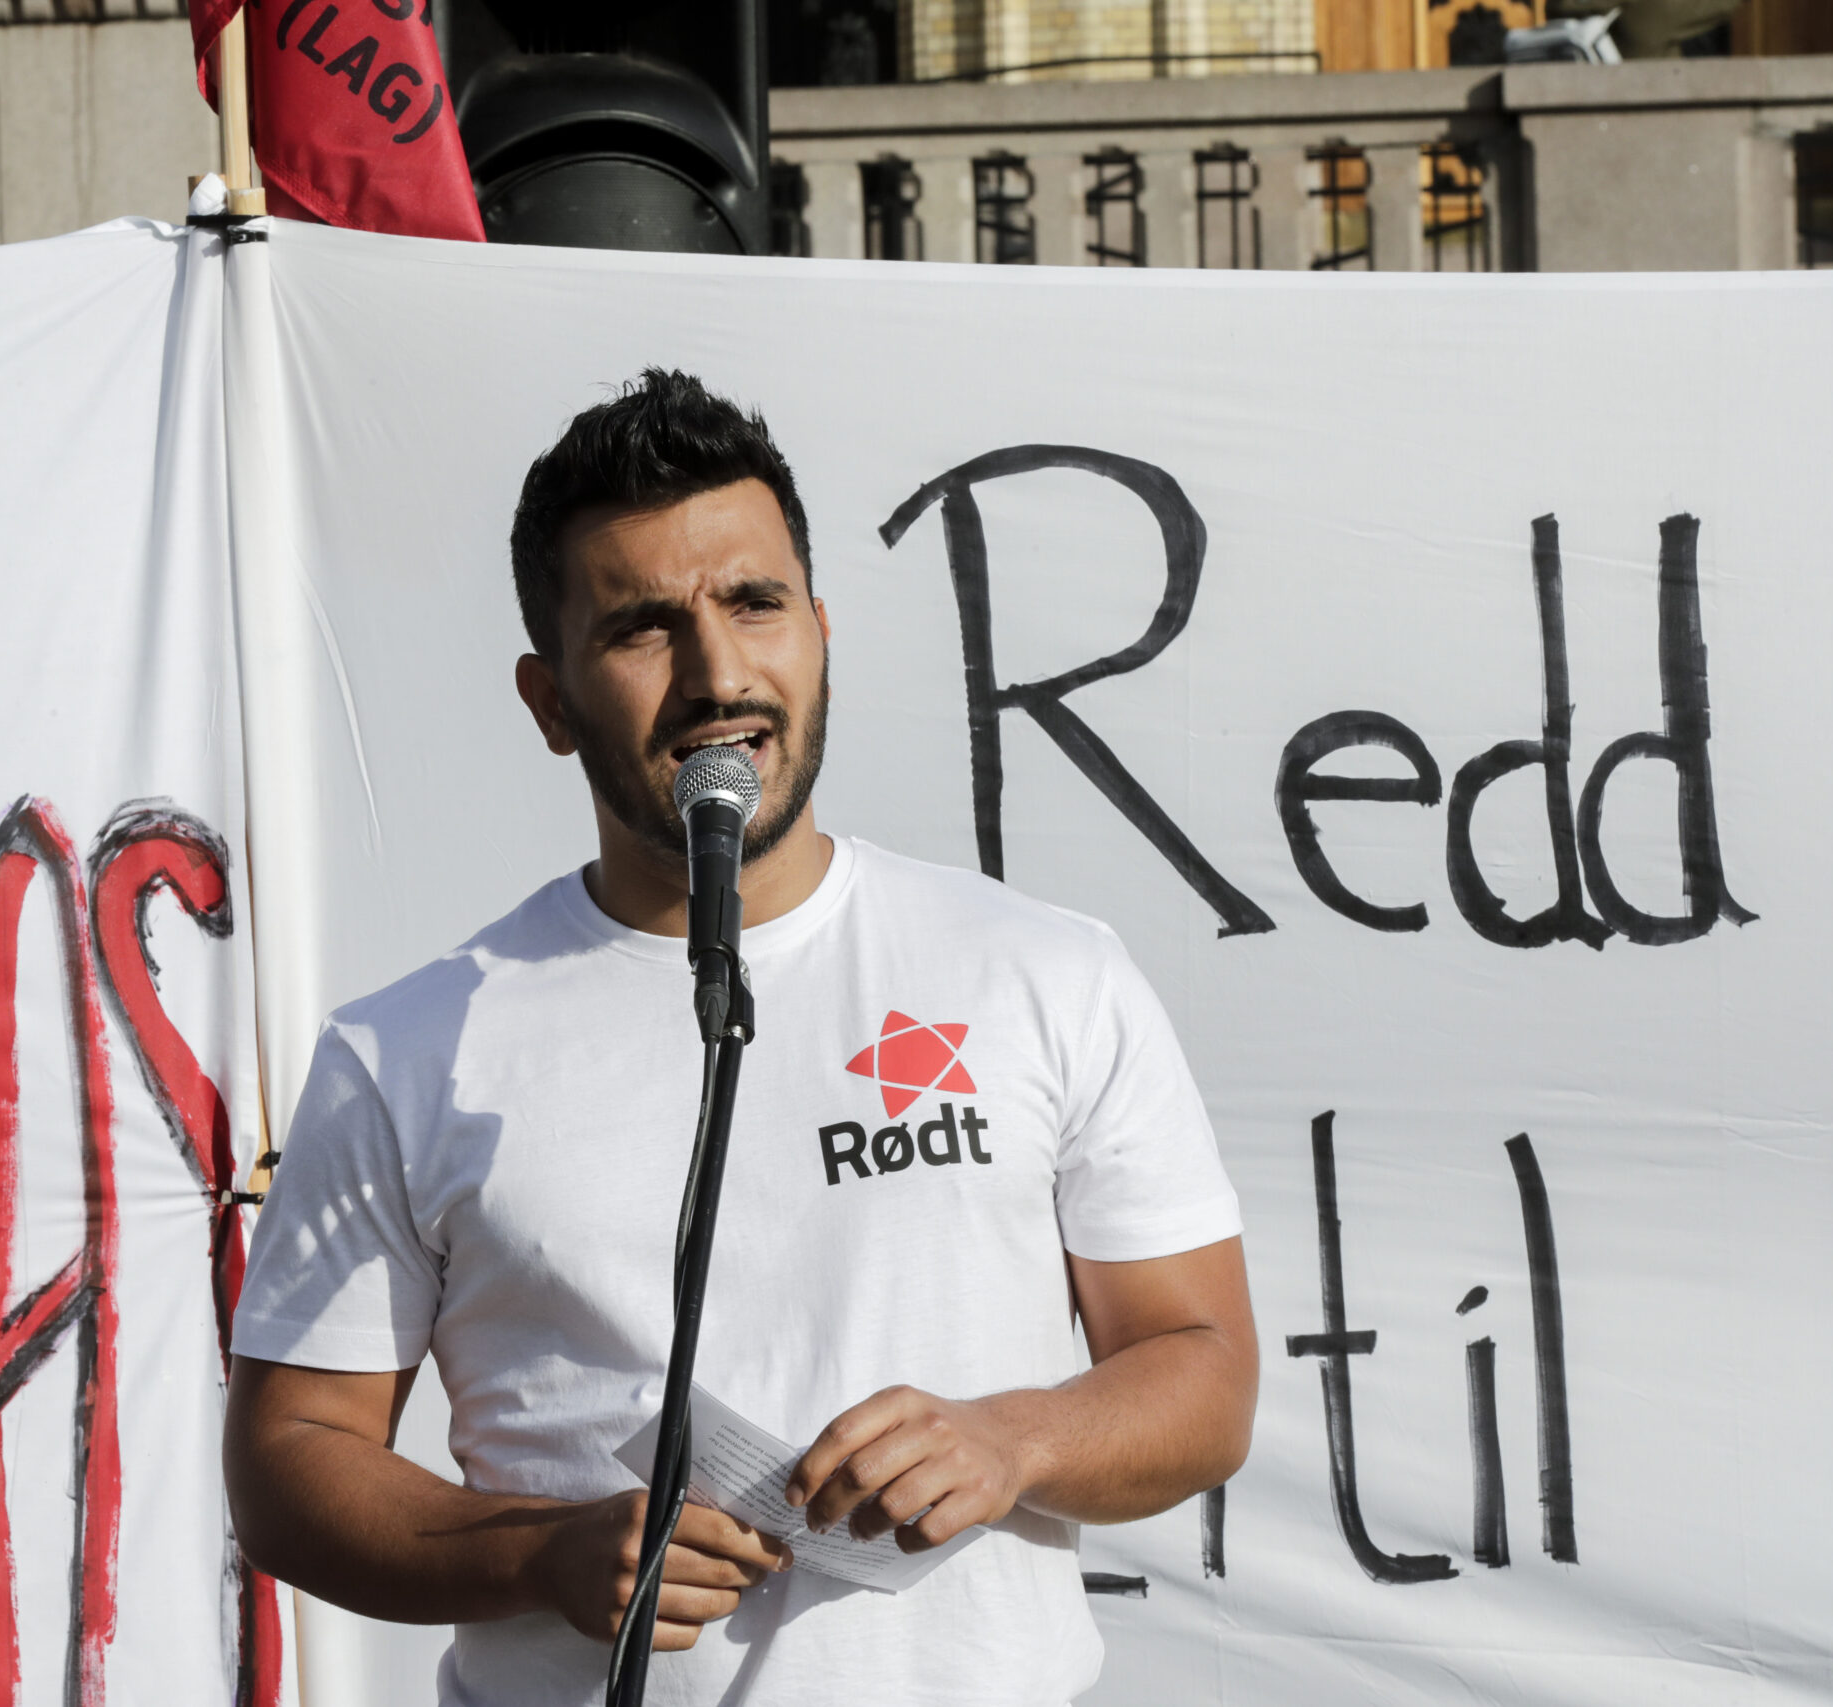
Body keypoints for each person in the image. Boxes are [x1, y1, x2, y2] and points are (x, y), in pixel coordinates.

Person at [222, 369, 1258, 1705]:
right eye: (645, 629)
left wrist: (1019, 1439)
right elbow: (292, 1459)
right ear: (550, 702)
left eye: (754, 604)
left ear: (820, 631)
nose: (719, 675)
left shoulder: (1043, 974)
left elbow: (1204, 1367)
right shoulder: (413, 1046)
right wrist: (536, 1552)